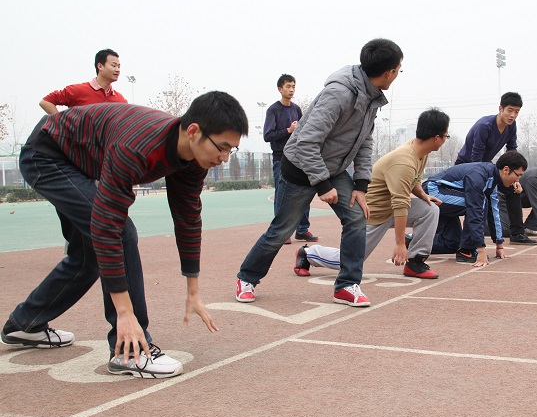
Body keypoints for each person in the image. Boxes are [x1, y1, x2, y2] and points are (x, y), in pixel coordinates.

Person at [1, 92, 248, 379]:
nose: (224, 158)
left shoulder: (193, 159)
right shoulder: (136, 147)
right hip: (46, 155)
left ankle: (24, 323)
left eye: (232, 150)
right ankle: (129, 351)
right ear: (193, 131)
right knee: (120, 231)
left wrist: (193, 290)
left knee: (86, 259)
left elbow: (188, 218)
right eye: (222, 148)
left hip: (81, 162)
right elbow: (108, 226)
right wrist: (125, 314)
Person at [236, 38, 403, 308]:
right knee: (282, 230)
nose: (397, 75)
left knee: (356, 217)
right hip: (300, 167)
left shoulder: (371, 98)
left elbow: (364, 141)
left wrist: (361, 184)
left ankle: (347, 285)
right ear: (389, 73)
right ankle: (246, 277)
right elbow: (306, 142)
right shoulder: (339, 94)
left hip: (333, 168)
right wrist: (323, 185)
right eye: (398, 70)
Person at [294, 108, 449, 283]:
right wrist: (399, 244)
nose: (445, 139)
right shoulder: (404, 161)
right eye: (446, 136)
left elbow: (414, 181)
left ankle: (415, 262)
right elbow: (400, 204)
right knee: (347, 261)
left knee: (429, 210)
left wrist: (423, 195)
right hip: (374, 212)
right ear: (437, 138)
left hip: (390, 208)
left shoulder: (421, 152)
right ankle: (308, 253)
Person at [454, 92, 537, 246]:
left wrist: (514, 178)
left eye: (517, 112)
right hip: (466, 166)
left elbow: (512, 150)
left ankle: (517, 233)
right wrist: (482, 180)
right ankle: (468, 242)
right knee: (477, 198)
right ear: (500, 108)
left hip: (485, 167)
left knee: (513, 189)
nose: (513, 115)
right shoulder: (484, 126)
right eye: (510, 110)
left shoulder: (511, 126)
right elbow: (476, 157)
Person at [426, 150, 528, 267]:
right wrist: (481, 249)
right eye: (518, 175)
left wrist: (499, 244)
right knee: (479, 203)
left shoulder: (493, 180)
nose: (517, 181)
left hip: (447, 196)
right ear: (506, 169)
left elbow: (494, 211)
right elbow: (475, 210)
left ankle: (412, 242)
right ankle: (467, 251)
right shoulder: (478, 176)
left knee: (452, 243)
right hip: (433, 191)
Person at [263, 74, 317, 245]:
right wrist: (288, 130)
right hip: (280, 158)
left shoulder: (296, 109)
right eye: (288, 86)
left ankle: (302, 230)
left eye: (293, 86)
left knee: (304, 192)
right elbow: (267, 135)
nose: (291, 89)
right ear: (280, 89)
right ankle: (282, 232)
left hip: (298, 158)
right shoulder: (273, 110)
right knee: (281, 195)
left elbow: (303, 131)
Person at [39, 48, 127, 114]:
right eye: (113, 65)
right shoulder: (77, 91)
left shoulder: (120, 100)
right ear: (100, 66)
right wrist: (60, 124)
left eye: (119, 66)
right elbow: (45, 102)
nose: (117, 70)